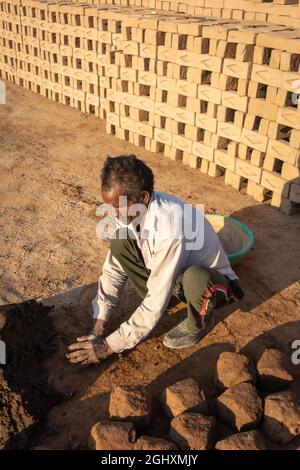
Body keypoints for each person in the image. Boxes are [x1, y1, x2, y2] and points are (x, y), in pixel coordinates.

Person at [67, 155, 244, 365]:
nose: (113, 214)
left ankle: (199, 323)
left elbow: (154, 302)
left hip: (213, 286)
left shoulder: (170, 226)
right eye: (110, 207)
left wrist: (108, 346)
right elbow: (113, 269)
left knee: (197, 278)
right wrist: (100, 323)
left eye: (117, 207)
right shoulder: (128, 211)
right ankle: (174, 297)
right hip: (173, 277)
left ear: (142, 197)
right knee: (120, 243)